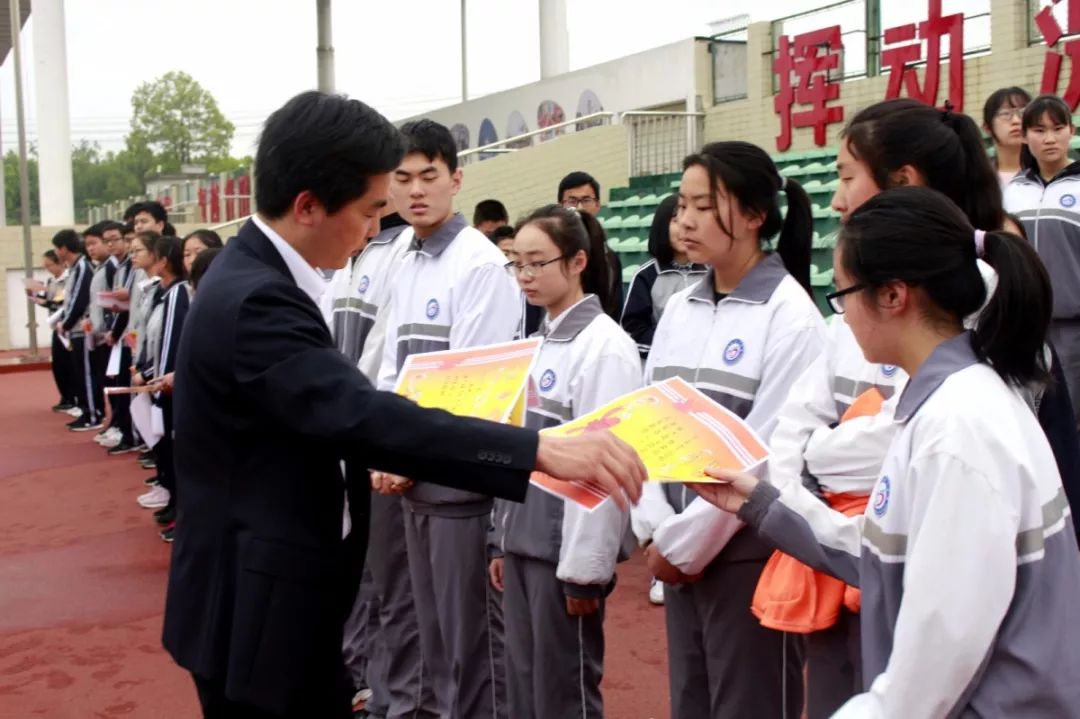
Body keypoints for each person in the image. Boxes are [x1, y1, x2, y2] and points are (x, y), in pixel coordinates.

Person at [162, 91, 645, 719]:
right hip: (258, 606)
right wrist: (541, 450)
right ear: (308, 205)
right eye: (369, 210)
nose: (373, 229)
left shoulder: (259, 279)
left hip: (281, 590)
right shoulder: (258, 298)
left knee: (458, 647)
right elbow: (359, 410)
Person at [693, 186, 1080, 717]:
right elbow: (895, 552)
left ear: (894, 296)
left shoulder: (956, 432)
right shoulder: (951, 400)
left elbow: (932, 666)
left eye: (844, 293)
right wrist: (761, 504)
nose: (844, 316)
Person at [631, 141, 823, 719]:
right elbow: (646, 418)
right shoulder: (683, 308)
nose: (683, 220)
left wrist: (683, 543)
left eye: (704, 206)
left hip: (746, 554)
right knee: (692, 702)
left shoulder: (790, 316)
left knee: (750, 703)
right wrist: (656, 529)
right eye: (681, 204)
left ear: (756, 214)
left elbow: (764, 453)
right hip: (678, 550)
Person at [374, 118, 521, 719]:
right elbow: (389, 365)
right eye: (403, 178)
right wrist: (382, 447)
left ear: (455, 179)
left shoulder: (479, 266)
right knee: (433, 646)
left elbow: (474, 391)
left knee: (474, 654)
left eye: (428, 176)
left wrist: (404, 455)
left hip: (461, 490)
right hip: (411, 481)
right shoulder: (403, 259)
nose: (415, 190)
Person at [492, 205, 640, 719]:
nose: (525, 276)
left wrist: (586, 570)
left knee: (564, 694)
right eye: (517, 263)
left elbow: (607, 470)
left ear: (577, 261)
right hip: (522, 542)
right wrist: (500, 537)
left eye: (538, 262)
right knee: (524, 692)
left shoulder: (605, 350)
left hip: (562, 557)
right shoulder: (535, 343)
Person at [327, 204, 431, 719]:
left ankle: (393, 695)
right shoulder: (346, 259)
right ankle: (361, 678)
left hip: (372, 435)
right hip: (348, 436)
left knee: (391, 584)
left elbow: (379, 358)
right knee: (361, 571)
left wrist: (354, 417)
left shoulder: (398, 253)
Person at [1005, 94, 1080, 430]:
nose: (1049, 138)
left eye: (1057, 128)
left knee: (1071, 424)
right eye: (1039, 130)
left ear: (1071, 130)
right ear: (1024, 136)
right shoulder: (1010, 193)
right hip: (1021, 324)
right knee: (1028, 423)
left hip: (1073, 330)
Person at [132, 236, 189, 541]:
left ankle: (180, 508)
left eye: (142, 252)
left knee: (173, 446)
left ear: (163, 260)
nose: (136, 257)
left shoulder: (178, 293)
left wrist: (155, 378)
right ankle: (173, 502)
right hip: (158, 381)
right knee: (164, 445)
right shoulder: (162, 293)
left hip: (167, 385)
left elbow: (170, 344)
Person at [621, 194, 708, 359]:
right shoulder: (646, 276)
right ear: (662, 226)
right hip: (661, 366)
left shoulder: (712, 272)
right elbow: (633, 330)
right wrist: (671, 346)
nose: (684, 227)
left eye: (689, 220)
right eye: (675, 220)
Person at [558, 171, 622, 317]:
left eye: (586, 200)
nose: (579, 208)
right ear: (560, 206)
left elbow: (615, 310)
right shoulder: (550, 254)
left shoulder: (610, 259)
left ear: (598, 205)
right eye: (572, 201)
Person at [30, 248, 76, 411]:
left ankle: (74, 397)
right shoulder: (51, 281)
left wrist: (47, 303)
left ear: (60, 263)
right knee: (58, 364)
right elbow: (49, 300)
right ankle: (65, 396)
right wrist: (36, 296)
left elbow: (63, 302)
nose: (47, 269)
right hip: (56, 326)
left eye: (49, 265)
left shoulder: (68, 278)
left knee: (70, 363)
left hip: (69, 325)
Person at [983, 86, 1031, 188]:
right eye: (1005, 114)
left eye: (1022, 112)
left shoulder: (1050, 172)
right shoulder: (978, 178)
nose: (1016, 121)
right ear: (987, 128)